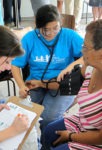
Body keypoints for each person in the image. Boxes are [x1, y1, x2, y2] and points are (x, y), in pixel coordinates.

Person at [11, 4, 84, 145]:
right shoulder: (29, 38)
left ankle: (47, 145)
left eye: (55, 28)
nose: (51, 33)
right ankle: (46, 141)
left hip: (61, 85)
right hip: (35, 84)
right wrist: (20, 86)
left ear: (60, 24)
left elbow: (88, 55)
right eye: (45, 30)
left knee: (49, 117)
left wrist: (71, 66)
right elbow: (15, 65)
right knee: (32, 115)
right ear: (37, 26)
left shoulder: (69, 35)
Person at [42, 19, 102, 150]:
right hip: (83, 121)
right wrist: (40, 84)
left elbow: (100, 137)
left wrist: (70, 136)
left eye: (85, 47)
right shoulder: (90, 67)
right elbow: (66, 86)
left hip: (97, 140)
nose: (81, 51)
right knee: (48, 131)